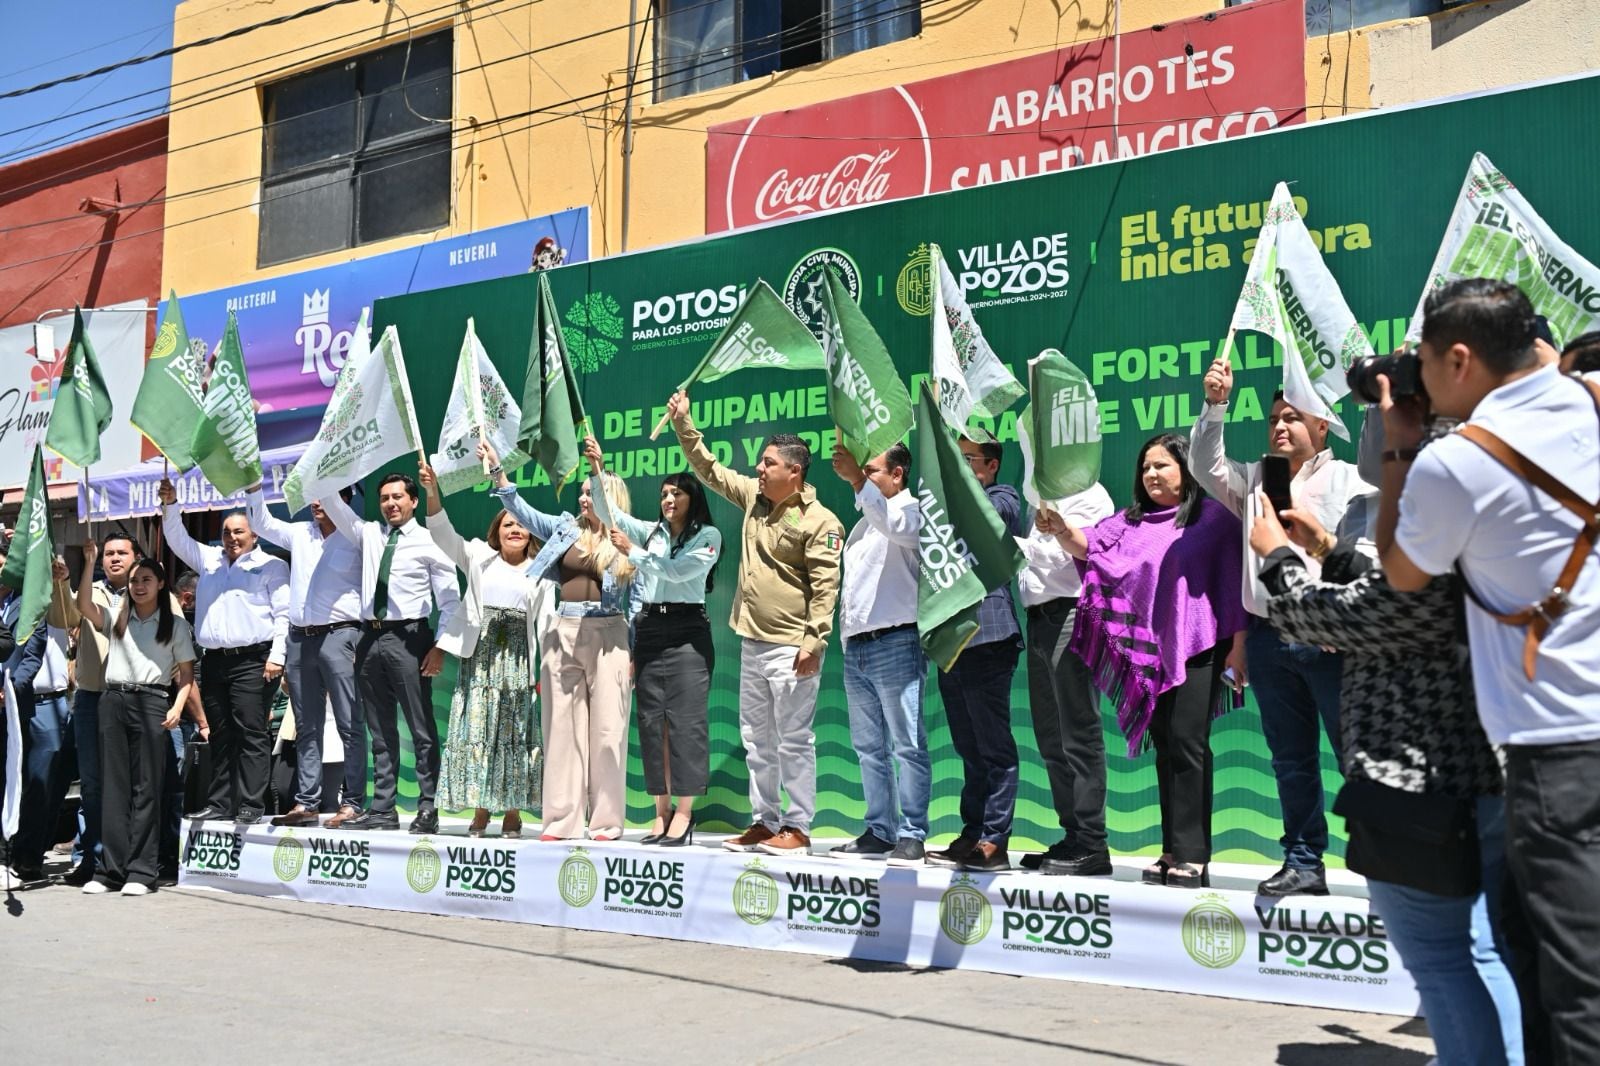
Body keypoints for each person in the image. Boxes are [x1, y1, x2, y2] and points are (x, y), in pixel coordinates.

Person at [1378, 279, 1600, 1064]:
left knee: (1572, 987)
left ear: (1462, 359)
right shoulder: (1593, 402)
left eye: (1429, 363)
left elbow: (1403, 576)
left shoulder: (1457, 464)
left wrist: (1400, 444)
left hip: (1560, 752)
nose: (1421, 378)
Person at [1251, 487, 1522, 1066]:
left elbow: (1341, 613)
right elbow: (1388, 593)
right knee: (1483, 948)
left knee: (1453, 960)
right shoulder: (1493, 549)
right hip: (1481, 779)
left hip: (1425, 791)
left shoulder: (1443, 554)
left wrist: (1277, 560)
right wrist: (1327, 547)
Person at [1190, 359, 1369, 896]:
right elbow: (1203, 464)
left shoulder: (1350, 480)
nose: (1280, 426)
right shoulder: (1254, 481)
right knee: (1290, 758)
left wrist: (1341, 616)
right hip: (1270, 636)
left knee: (1355, 755)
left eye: (1293, 417)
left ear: (1323, 426)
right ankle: (1304, 861)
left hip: (1333, 638)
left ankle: (1386, 865)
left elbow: (1360, 555)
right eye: (1273, 419)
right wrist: (1216, 405)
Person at [1040, 433, 1247, 888]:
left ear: (1186, 470)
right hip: (1150, 656)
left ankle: (1194, 855)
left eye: (1163, 466)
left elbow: (1235, 582)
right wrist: (1058, 527)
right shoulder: (1128, 523)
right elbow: (1089, 547)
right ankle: (1172, 849)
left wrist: (1239, 645)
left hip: (1200, 647)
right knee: (1167, 747)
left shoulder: (1213, 519)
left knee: (1189, 745)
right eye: (1146, 467)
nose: (1151, 475)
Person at [666, 391, 843, 856]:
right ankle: (765, 822)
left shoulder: (820, 521)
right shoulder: (753, 500)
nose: (759, 470)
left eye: (768, 464)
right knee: (757, 742)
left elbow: (825, 589)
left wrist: (814, 641)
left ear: (794, 472)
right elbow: (708, 469)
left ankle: (798, 828)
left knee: (794, 740)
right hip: (752, 642)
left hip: (792, 647)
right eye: (760, 464)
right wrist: (684, 423)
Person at [482, 441, 635, 841]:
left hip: (610, 633)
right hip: (563, 631)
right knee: (562, 730)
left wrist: (599, 466)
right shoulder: (565, 527)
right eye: (583, 492)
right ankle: (562, 821)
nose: (584, 498)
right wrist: (498, 473)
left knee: (607, 733)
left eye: (592, 492)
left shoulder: (626, 538)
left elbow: (638, 598)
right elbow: (521, 511)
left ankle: (605, 822)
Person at [587, 439, 720, 848]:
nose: (667, 499)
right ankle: (660, 811)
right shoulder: (652, 532)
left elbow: (680, 573)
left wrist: (636, 554)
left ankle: (684, 813)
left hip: (687, 632)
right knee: (652, 725)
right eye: (663, 493)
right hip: (649, 630)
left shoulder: (707, 535)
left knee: (686, 724)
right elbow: (610, 514)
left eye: (675, 493)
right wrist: (597, 471)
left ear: (691, 499)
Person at [418, 460, 555, 838]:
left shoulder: (541, 572)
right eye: (508, 523)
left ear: (531, 534)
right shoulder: (479, 557)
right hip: (480, 663)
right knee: (478, 732)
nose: (515, 529)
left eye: (521, 524)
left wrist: (546, 670)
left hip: (518, 662)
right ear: (498, 530)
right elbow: (442, 534)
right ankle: (480, 812)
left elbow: (547, 622)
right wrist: (432, 492)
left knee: (515, 737)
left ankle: (512, 813)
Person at [321, 473, 461, 833]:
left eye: (398, 497)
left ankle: (427, 807)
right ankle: (383, 808)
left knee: (421, 729)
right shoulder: (368, 534)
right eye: (384, 498)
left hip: (410, 638)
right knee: (379, 731)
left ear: (414, 501)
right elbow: (334, 505)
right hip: (370, 638)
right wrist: (325, 470)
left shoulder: (431, 542)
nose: (390, 504)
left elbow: (449, 600)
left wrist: (440, 647)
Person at [926, 435, 1026, 873]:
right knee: (969, 746)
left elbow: (999, 515)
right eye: (957, 460)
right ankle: (972, 832)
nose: (962, 468)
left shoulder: (1003, 496)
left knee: (994, 746)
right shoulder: (943, 509)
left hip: (990, 637)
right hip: (953, 639)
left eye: (967, 460)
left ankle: (996, 840)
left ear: (991, 465)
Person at [827, 442, 930, 866]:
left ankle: (913, 832)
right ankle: (879, 829)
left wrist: (855, 480)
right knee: (869, 747)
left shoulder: (912, 512)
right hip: (858, 646)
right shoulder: (865, 524)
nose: (865, 476)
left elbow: (897, 528)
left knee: (906, 744)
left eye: (871, 470)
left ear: (897, 474)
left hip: (895, 640)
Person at [162, 484, 289, 826]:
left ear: (254, 535)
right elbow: (177, 539)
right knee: (220, 734)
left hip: (254, 660)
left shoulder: (272, 566)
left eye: (239, 532)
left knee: (250, 733)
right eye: (226, 532)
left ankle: (251, 803)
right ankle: (220, 803)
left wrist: (278, 656)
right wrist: (171, 504)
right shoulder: (210, 561)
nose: (232, 538)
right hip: (215, 661)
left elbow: (284, 614)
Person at [74, 545, 195, 896]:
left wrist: (177, 708)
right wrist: (90, 564)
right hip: (112, 700)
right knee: (114, 788)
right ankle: (110, 871)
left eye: (146, 579)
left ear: (160, 584)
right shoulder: (117, 615)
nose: (139, 586)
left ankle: (142, 872)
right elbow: (83, 607)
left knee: (147, 790)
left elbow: (186, 675)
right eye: (133, 580)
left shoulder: (174, 625)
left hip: (153, 702)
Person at [246, 484, 366, 828]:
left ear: (343, 499)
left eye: (324, 494)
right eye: (313, 495)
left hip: (340, 634)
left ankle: (353, 802)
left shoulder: (356, 533)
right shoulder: (301, 533)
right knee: (307, 725)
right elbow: (262, 523)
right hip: (301, 639)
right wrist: (255, 490)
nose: (315, 501)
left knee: (349, 723)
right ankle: (306, 802)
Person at [1016, 479, 1117, 876]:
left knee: (1079, 731)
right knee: (1050, 737)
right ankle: (1073, 834)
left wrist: (1018, 546)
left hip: (1073, 614)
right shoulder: (1037, 497)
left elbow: (1064, 560)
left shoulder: (1091, 495)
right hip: (1038, 618)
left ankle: (1094, 842)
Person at [47, 531, 143, 884]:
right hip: (90, 697)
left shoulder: (147, 591)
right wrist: (65, 582)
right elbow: (64, 618)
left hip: (133, 696)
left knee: (130, 782)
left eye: (122, 552)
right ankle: (92, 857)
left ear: (136, 557)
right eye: (108, 553)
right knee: (91, 784)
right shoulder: (93, 590)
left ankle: (128, 858)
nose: (114, 558)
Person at [0, 556, 48, 884]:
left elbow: (31, 656)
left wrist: (8, 690)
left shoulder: (28, 607)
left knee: (9, 784)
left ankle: (5, 859)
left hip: (12, 707)